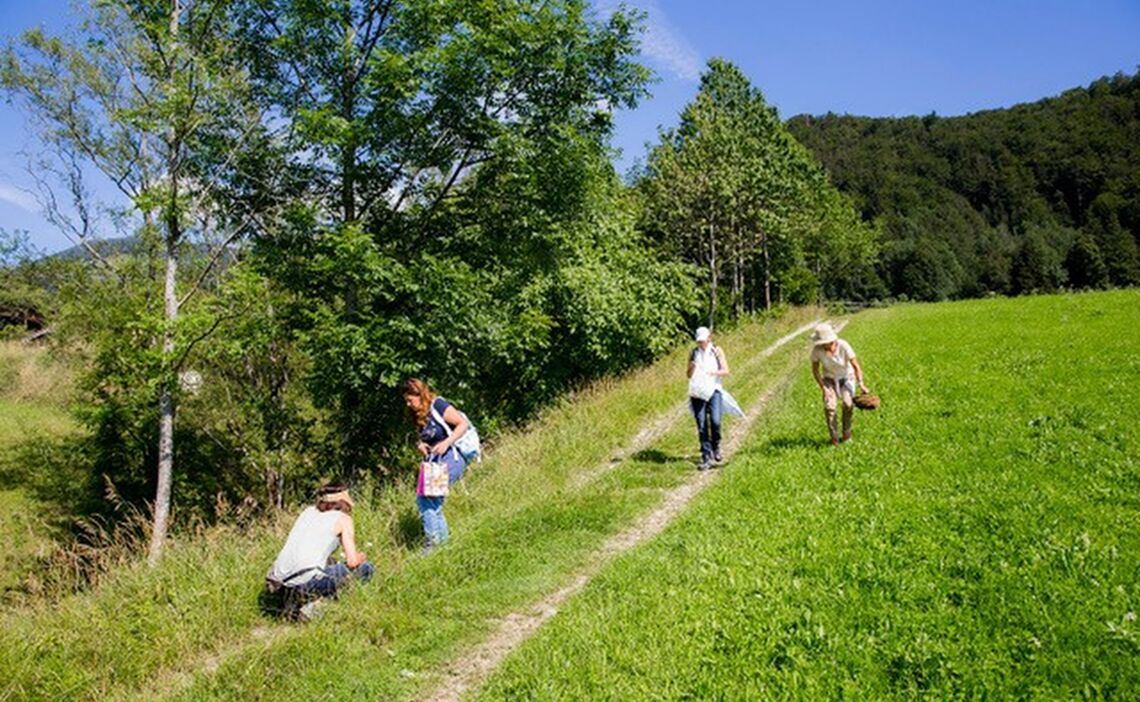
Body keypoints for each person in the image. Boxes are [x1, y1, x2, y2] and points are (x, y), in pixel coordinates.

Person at [265, 483, 373, 619]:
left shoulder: (307, 512)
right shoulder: (343, 519)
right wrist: (362, 556)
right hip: (305, 583)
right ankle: (316, 607)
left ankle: (291, 602)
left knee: (329, 563)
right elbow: (352, 562)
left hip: (277, 584)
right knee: (366, 568)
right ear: (343, 502)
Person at [401, 377, 472, 550]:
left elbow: (463, 424)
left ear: (419, 394)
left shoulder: (438, 405)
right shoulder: (420, 415)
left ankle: (433, 544)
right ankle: (443, 545)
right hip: (434, 462)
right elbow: (428, 437)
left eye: (410, 400)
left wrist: (447, 442)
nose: (408, 405)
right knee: (430, 501)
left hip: (451, 457)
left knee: (427, 498)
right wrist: (421, 445)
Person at [810, 322, 869, 446]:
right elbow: (815, 371)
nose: (822, 345)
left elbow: (856, 366)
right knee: (829, 407)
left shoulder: (843, 345)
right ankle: (834, 438)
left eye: (823, 343)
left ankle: (847, 435)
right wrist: (823, 388)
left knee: (848, 404)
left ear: (831, 340)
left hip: (846, 377)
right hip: (829, 379)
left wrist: (861, 384)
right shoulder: (817, 350)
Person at [687, 326, 730, 470]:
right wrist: (692, 367)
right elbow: (688, 374)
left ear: (709, 338)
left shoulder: (716, 351)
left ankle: (716, 445)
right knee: (701, 424)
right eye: (699, 342)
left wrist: (713, 372)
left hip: (714, 390)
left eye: (703, 341)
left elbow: (726, 370)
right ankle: (706, 455)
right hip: (698, 392)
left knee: (715, 421)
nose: (701, 344)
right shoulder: (694, 353)